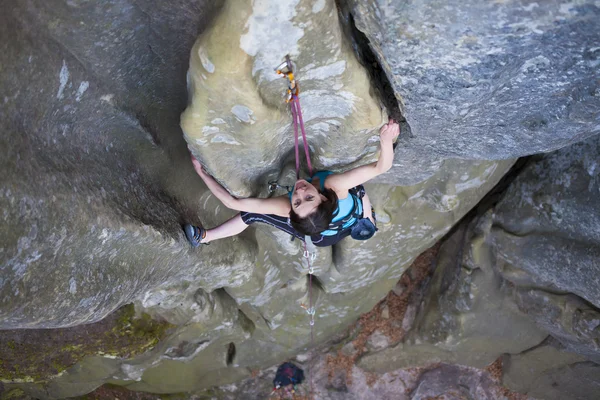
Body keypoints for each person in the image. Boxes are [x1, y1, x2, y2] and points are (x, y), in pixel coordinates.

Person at [184, 119, 400, 247]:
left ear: (292, 211)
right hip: (345, 214)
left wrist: (202, 173)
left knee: (252, 214)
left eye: (297, 202)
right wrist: (386, 140)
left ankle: (203, 238)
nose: (300, 191)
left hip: (322, 236)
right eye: (309, 197)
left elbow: (235, 203)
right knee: (358, 190)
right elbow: (381, 167)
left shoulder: (289, 210)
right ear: (324, 196)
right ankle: (366, 218)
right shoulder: (336, 186)